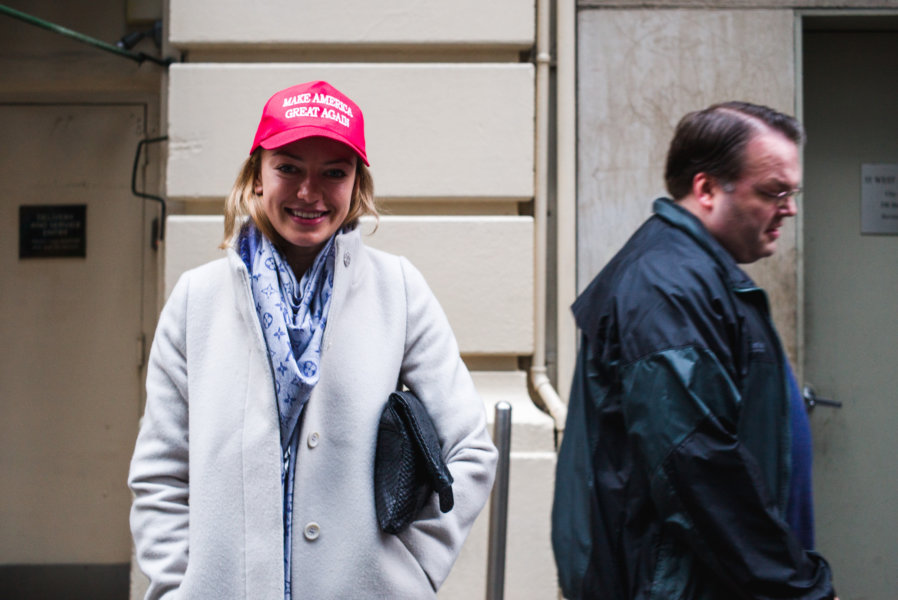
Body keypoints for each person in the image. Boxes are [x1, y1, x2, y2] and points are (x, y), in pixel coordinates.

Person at [128, 80, 497, 599]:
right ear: (257, 176)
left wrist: (413, 569)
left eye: (334, 173)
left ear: (356, 186)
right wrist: (176, 586)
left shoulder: (399, 290)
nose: (309, 192)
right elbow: (161, 474)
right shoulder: (197, 301)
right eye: (289, 168)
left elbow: (471, 449)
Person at [551, 101, 837, 599]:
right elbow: (697, 466)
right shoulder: (668, 285)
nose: (789, 207)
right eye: (774, 191)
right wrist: (796, 584)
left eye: (792, 192)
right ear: (705, 189)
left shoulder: (694, 275)